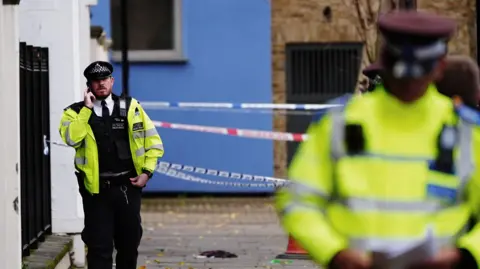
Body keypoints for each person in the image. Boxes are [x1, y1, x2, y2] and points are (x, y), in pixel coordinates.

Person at [276, 10, 480, 269]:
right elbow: (299, 200)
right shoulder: (340, 123)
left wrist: (463, 256)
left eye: (417, 76)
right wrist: (335, 253)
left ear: (439, 68)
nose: (408, 86)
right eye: (401, 76)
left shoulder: (464, 130)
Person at [59, 61, 164, 269]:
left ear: (112, 81)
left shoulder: (131, 107)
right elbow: (72, 139)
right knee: (99, 248)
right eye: (96, 81)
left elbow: (154, 143)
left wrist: (147, 172)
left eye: (105, 79)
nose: (101, 84)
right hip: (96, 191)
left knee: (129, 244)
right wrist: (87, 111)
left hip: (128, 187)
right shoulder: (74, 112)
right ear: (89, 85)